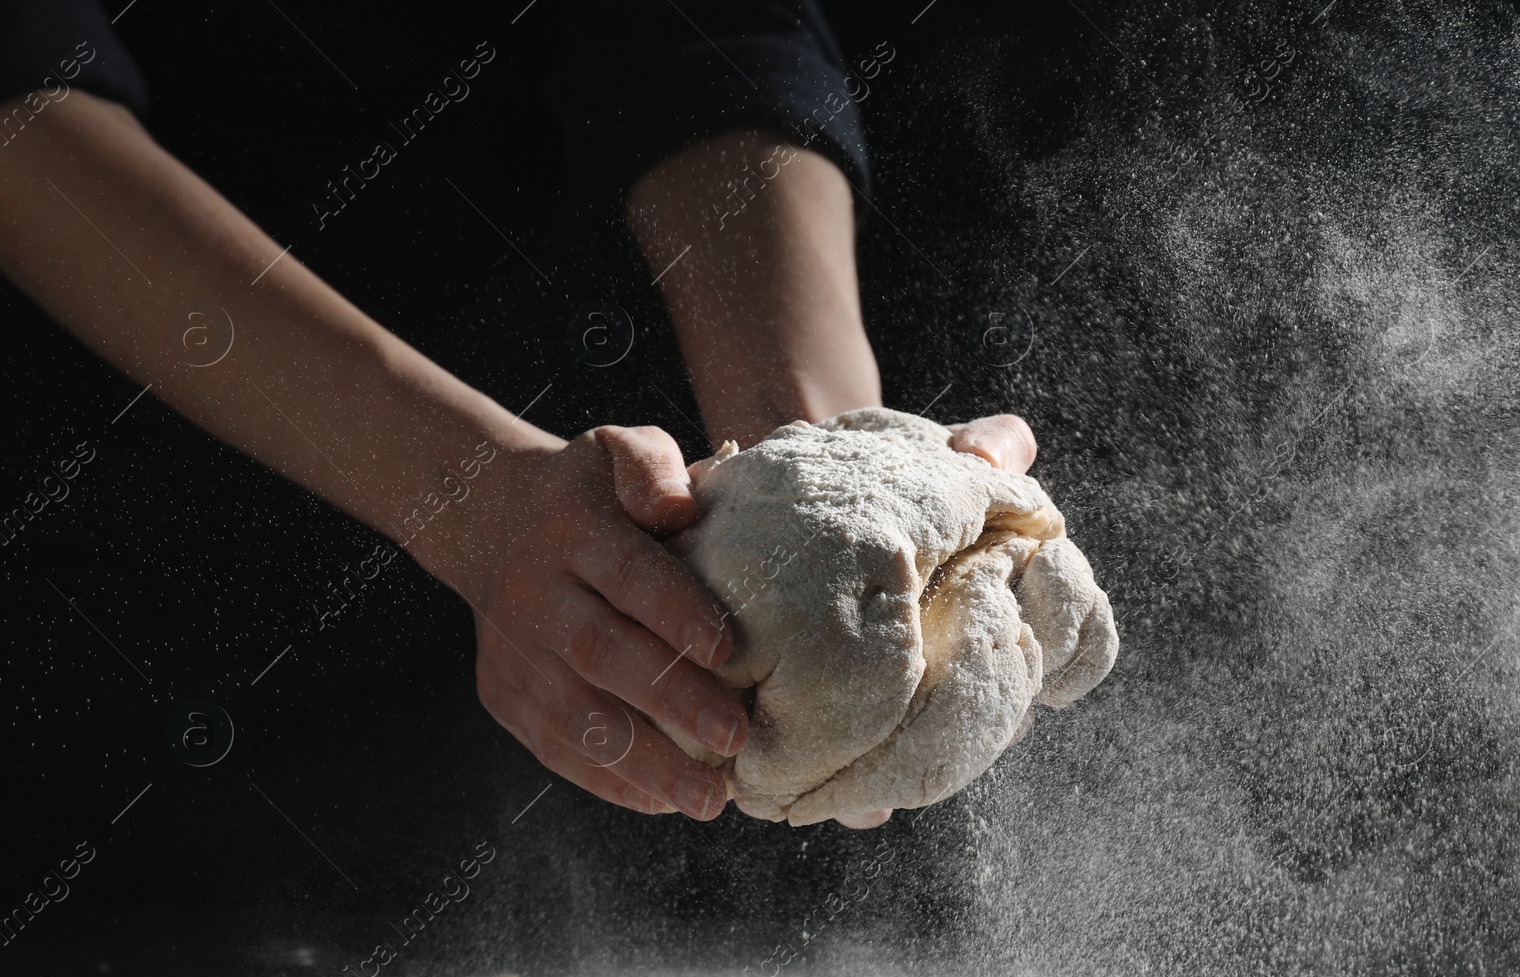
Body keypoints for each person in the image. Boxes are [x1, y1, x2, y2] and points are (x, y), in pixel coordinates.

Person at [0, 0, 1038, 829]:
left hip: (564, 630)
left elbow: (701, 26)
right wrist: (470, 500)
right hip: (78, 613)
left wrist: (825, 468)